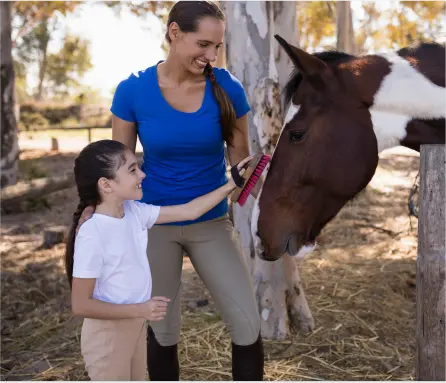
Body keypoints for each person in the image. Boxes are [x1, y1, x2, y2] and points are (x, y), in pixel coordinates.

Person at [78, 0, 265, 380]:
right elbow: (119, 166)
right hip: (149, 224)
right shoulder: (133, 90)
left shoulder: (228, 88)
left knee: (246, 322)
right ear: (175, 34)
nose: (211, 55)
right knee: (161, 329)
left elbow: (241, 165)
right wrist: (92, 213)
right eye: (203, 44)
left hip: (211, 222)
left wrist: (274, 188)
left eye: (218, 46)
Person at [66, 139, 252, 381]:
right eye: (132, 170)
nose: (142, 174)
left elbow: (188, 211)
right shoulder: (93, 232)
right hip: (107, 336)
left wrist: (230, 185)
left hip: (136, 326)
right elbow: (80, 305)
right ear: (106, 184)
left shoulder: (134, 212)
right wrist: (140, 308)